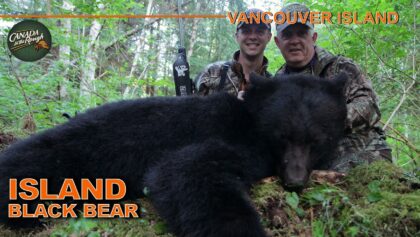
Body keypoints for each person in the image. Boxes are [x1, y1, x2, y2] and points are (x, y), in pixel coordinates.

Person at [274, 3, 392, 172]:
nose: (295, 41)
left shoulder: (340, 67)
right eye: (287, 35)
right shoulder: (277, 84)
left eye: (301, 33)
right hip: (306, 157)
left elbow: (370, 106)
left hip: (361, 147)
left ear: (313, 37)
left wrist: (327, 117)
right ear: (278, 42)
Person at [195, 8, 272, 96]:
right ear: (237, 37)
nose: (253, 36)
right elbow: (191, 108)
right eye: (246, 31)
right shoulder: (211, 74)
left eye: (259, 31)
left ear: (269, 37)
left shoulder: (272, 86)